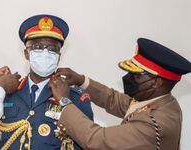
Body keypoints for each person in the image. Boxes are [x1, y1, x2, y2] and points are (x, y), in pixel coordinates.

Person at [47, 38, 191, 150]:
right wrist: (81, 80)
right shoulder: (163, 102)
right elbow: (114, 100)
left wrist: (65, 101)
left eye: (136, 75)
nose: (128, 77)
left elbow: (96, 140)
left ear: (156, 83)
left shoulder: (154, 124)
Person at [0, 14, 94, 150]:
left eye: (52, 49)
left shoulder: (75, 97)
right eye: (37, 47)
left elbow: (87, 143)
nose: (45, 53)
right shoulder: (5, 93)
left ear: (59, 56)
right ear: (26, 53)